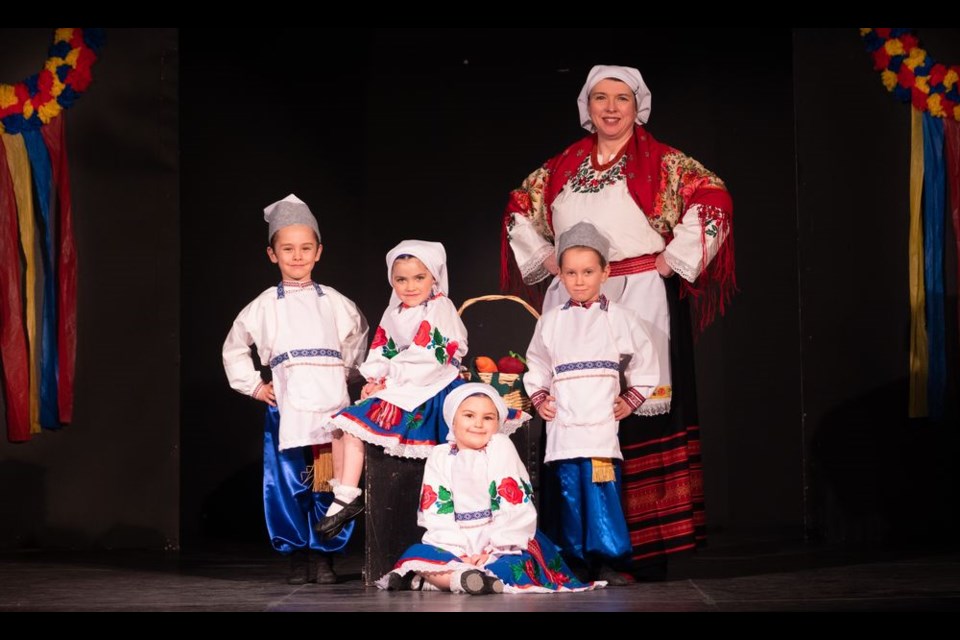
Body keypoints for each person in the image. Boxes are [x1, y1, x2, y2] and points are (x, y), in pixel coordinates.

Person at [502, 65, 735, 580]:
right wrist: (551, 263)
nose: (610, 108)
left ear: (638, 106)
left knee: (643, 408)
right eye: (600, 98)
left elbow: (714, 196)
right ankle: (581, 547)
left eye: (622, 99)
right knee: (576, 413)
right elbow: (519, 208)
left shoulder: (663, 163)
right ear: (587, 106)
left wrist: (673, 258)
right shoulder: (563, 166)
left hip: (642, 295)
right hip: (575, 295)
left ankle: (645, 549)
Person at [222, 194, 368, 584]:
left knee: (328, 480)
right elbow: (235, 348)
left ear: (319, 252)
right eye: (288, 249)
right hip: (286, 407)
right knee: (288, 483)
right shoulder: (264, 305)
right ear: (272, 254)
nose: (297, 256)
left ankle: (325, 555)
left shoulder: (336, 302)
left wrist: (347, 377)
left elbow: (357, 341)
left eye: (305, 248)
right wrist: (254, 386)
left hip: (330, 407)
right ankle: (297, 554)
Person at [523, 221, 658, 585]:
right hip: (565, 424)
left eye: (588, 272)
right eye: (571, 273)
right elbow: (536, 364)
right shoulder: (550, 321)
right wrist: (540, 397)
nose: (579, 280)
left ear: (605, 272)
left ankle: (609, 559)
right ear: (561, 275)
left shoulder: (620, 318)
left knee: (601, 494)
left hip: (599, 423)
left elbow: (646, 362)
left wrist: (630, 399)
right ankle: (573, 560)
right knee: (568, 495)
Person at [377, 383, 599, 594]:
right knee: (416, 553)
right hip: (458, 542)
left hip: (500, 541)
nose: (478, 424)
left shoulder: (500, 448)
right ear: (452, 421)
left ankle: (445, 581)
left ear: (498, 424)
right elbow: (435, 510)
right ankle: (463, 580)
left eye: (488, 418)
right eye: (469, 416)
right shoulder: (440, 456)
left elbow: (514, 504)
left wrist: (494, 549)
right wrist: (460, 553)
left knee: (512, 566)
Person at [317, 240, 468, 539]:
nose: (410, 286)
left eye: (419, 278)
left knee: (355, 422)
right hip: (401, 384)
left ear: (434, 277)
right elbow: (381, 351)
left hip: (431, 384)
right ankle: (346, 494)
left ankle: (347, 497)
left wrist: (387, 380)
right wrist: (373, 379)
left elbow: (429, 355)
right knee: (342, 424)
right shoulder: (393, 313)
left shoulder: (440, 307)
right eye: (401, 279)